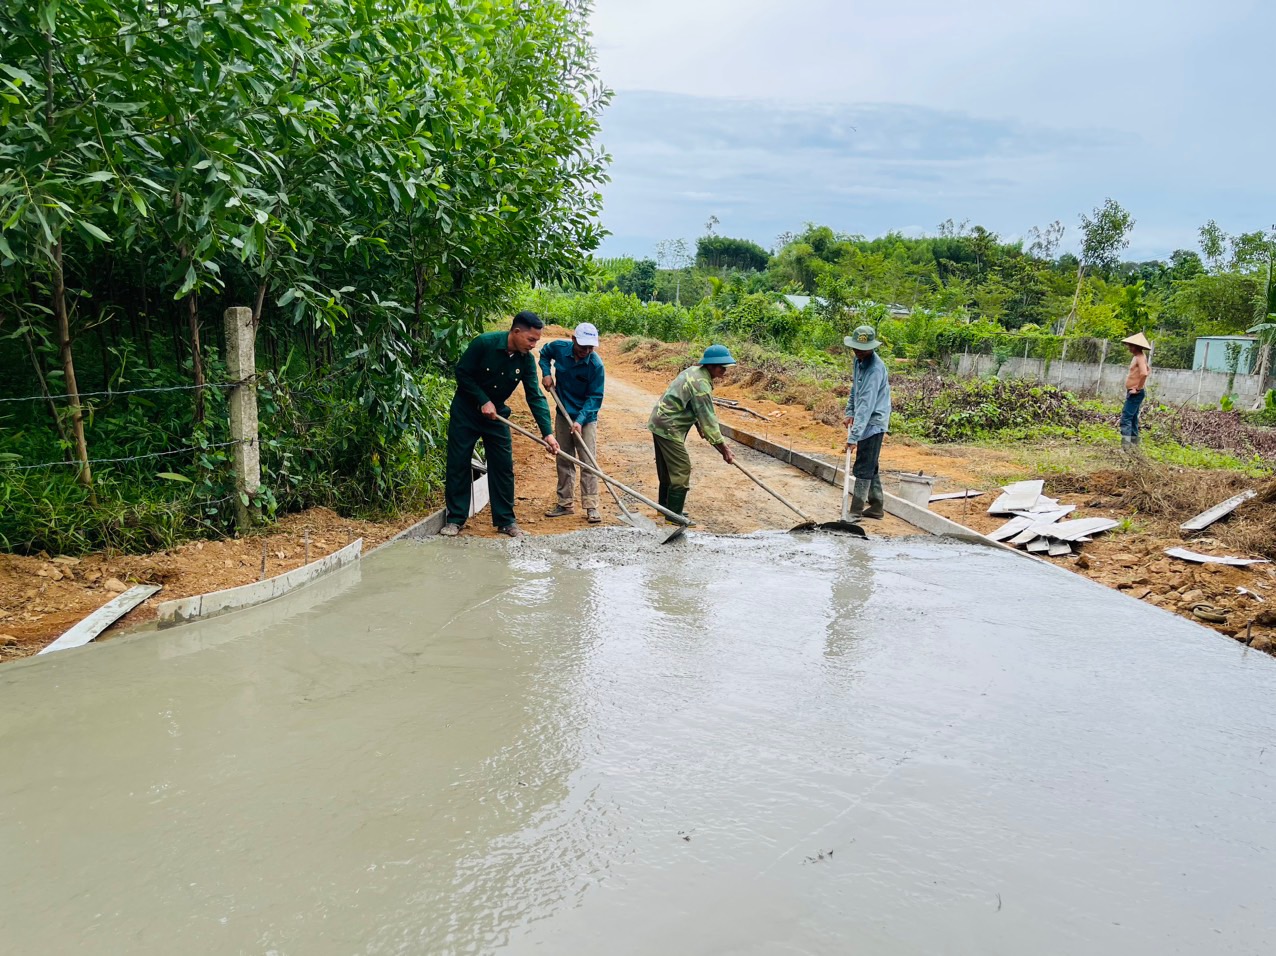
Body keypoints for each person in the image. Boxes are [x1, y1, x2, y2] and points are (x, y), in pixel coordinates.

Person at [439, 311, 560, 538]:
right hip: (466, 413)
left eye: (536, 341)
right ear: (516, 332)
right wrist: (482, 400)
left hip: (497, 417)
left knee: (503, 466)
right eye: (531, 339)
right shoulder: (484, 344)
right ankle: (455, 519)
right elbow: (462, 373)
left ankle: (505, 521)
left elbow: (534, 396)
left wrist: (548, 434)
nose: (533, 345)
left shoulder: (524, 360)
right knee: (458, 463)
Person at [647, 344, 736, 521]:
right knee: (681, 468)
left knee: (667, 469)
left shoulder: (693, 371)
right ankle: (674, 516)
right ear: (710, 366)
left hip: (659, 421)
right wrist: (724, 449)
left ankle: (665, 509)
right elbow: (708, 419)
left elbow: (688, 403)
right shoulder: (701, 384)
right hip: (669, 426)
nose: (724, 370)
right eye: (721, 366)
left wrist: (698, 425)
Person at [539, 322, 606, 523]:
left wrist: (580, 421)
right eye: (582, 346)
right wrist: (546, 373)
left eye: (590, 347)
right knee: (564, 458)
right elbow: (543, 353)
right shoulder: (559, 348)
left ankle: (591, 505)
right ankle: (565, 503)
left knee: (588, 461)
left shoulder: (595, 365)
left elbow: (595, 397)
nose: (586, 351)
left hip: (585, 417)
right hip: (562, 412)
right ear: (574, 339)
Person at [841, 325, 892, 519]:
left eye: (862, 349)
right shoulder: (858, 361)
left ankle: (855, 511)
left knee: (863, 465)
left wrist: (854, 437)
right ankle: (877, 506)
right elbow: (856, 390)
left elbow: (867, 404)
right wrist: (849, 412)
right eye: (856, 348)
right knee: (871, 463)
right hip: (863, 418)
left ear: (872, 347)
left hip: (874, 421)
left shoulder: (875, 369)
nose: (858, 352)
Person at [1120, 332, 1152, 449]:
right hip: (1134, 392)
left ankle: (1126, 448)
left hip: (1135, 393)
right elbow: (1149, 370)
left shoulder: (1139, 357)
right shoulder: (1140, 357)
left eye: (1130, 346)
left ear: (1136, 346)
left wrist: (1137, 388)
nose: (1129, 348)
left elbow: (1144, 373)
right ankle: (1134, 447)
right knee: (1133, 419)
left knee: (1126, 418)